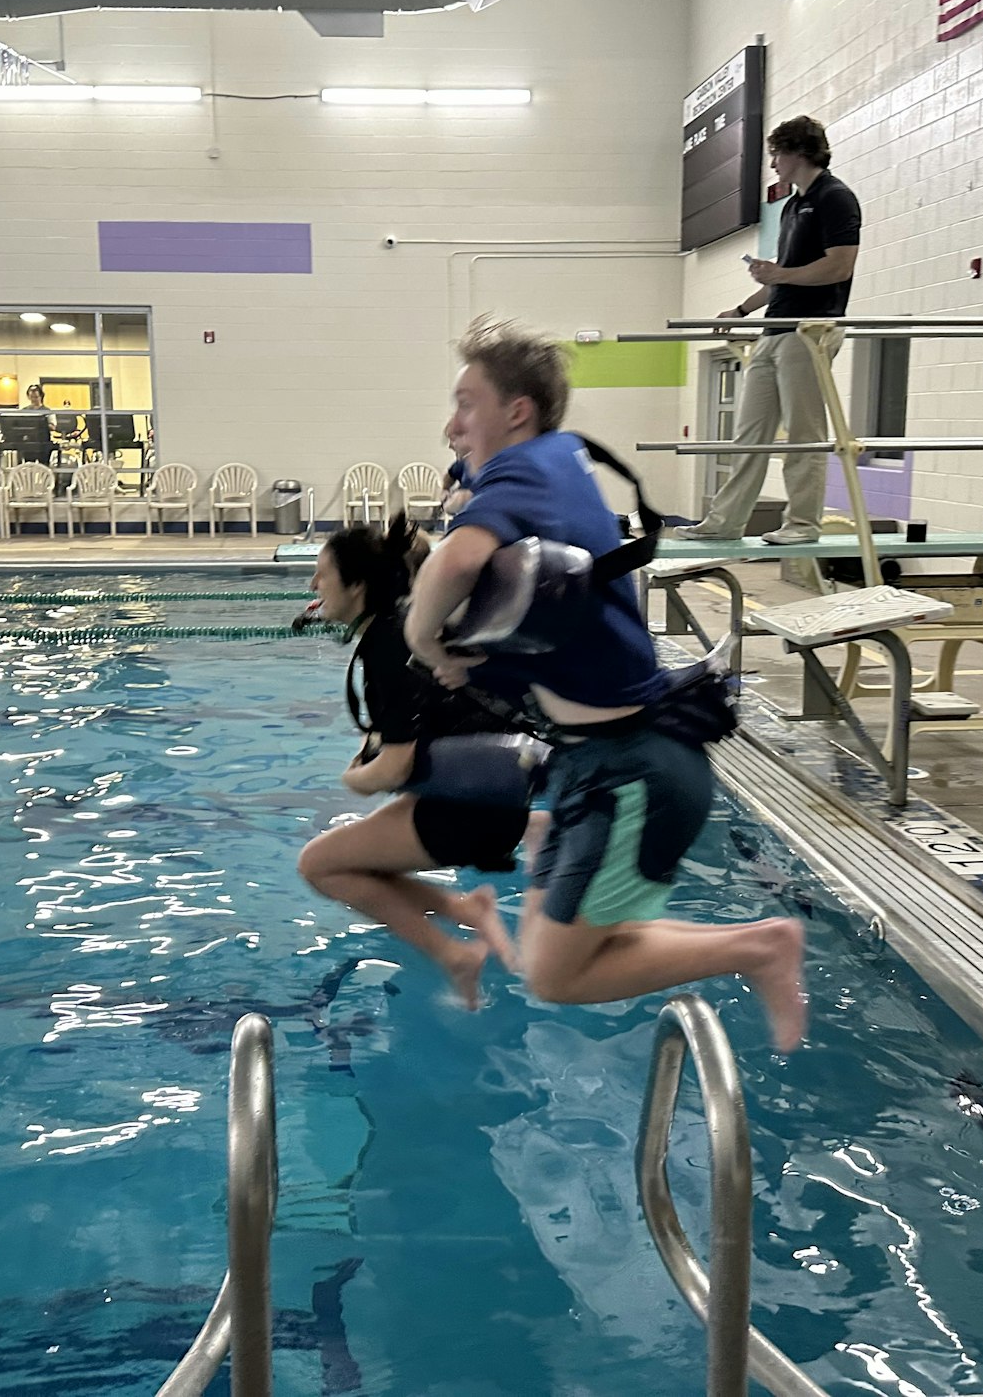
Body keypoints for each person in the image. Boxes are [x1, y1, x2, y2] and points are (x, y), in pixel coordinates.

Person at [404, 317, 808, 1051]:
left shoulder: (526, 469)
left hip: (633, 770)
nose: (451, 424)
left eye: (468, 403)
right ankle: (750, 943)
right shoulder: (557, 463)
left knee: (553, 977)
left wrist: (423, 638)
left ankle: (761, 947)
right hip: (600, 765)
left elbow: (456, 562)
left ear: (516, 410)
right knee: (547, 952)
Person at [295, 515, 529, 1009]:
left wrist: (356, 778)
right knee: (355, 862)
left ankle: (453, 953)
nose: (314, 584)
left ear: (357, 585)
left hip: (471, 813)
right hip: (489, 798)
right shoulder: (404, 621)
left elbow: (396, 768)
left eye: (322, 573)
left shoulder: (383, 644)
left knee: (320, 866)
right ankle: (468, 908)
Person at [678, 115, 862, 546]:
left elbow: (840, 265)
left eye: (777, 154)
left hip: (811, 329)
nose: (773, 163)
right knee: (750, 434)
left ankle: (802, 524)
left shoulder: (836, 198)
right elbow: (785, 275)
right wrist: (742, 309)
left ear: (798, 152)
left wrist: (780, 273)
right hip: (774, 328)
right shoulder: (794, 205)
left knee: (804, 433)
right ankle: (724, 522)